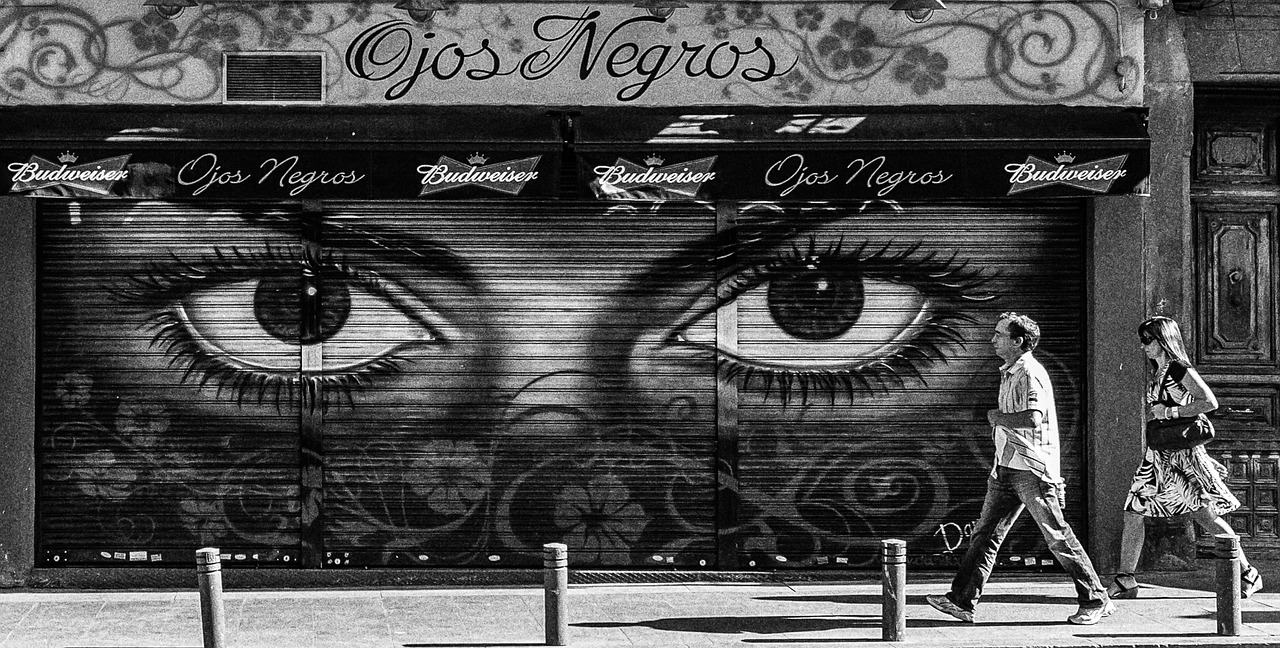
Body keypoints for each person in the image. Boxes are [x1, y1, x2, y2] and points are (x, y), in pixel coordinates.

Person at [927, 312, 1113, 625]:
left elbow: (1033, 418)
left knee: (1057, 536)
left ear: (1018, 341)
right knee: (985, 535)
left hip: (1030, 469)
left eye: (1000, 334)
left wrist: (998, 418)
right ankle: (961, 601)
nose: (993, 339)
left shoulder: (1029, 372)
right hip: (1007, 467)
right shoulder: (1011, 371)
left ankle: (1096, 598)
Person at [1108, 316, 1262, 599]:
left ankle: (1247, 572)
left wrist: (1169, 413)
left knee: (1203, 515)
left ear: (1163, 340)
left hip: (1179, 458)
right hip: (1158, 458)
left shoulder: (1178, 369)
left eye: (1148, 340)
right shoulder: (1160, 370)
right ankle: (1125, 578)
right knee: (1133, 511)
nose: (1143, 347)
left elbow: (1209, 402)